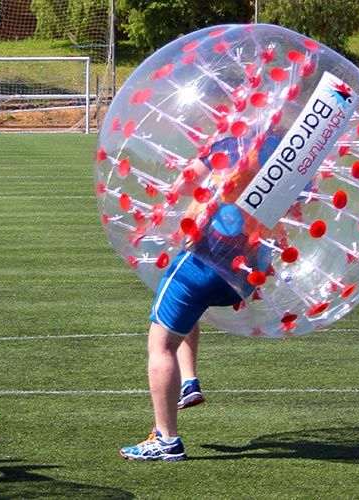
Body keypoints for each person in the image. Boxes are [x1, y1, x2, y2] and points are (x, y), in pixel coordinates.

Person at [119, 137, 278, 462]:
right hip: (245, 271)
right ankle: (189, 381)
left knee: (161, 344)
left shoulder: (237, 141)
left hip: (203, 260)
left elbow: (186, 182)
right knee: (189, 315)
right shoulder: (288, 153)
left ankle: (166, 439)